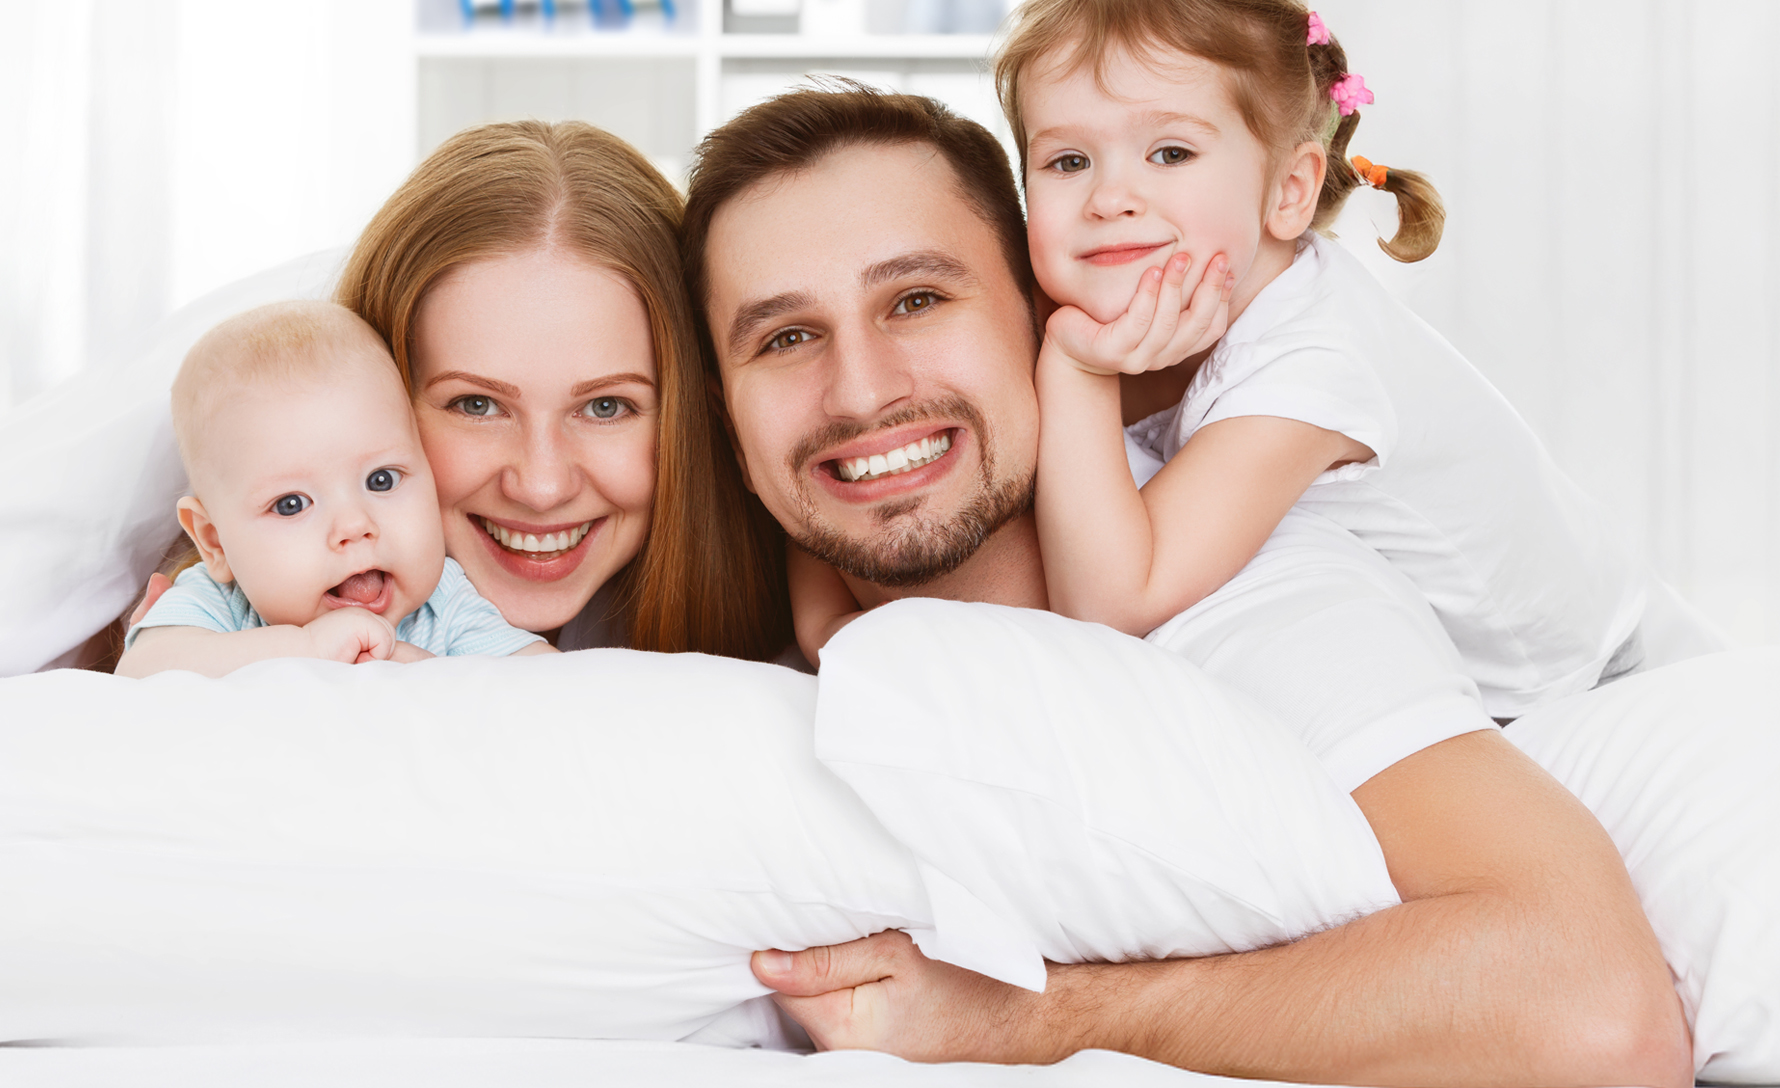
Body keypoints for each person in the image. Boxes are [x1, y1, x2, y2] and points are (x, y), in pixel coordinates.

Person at [680, 84, 1692, 1084]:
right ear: (725, 410)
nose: (860, 390)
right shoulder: (763, 653)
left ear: (1043, 314)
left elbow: (1594, 1010)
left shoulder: (1246, 590)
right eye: (786, 338)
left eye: (917, 299)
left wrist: (1023, 1022)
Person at [788, 0, 1646, 722]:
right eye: (1067, 161)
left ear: (1289, 190)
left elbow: (1117, 601)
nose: (1109, 196)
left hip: (1568, 693)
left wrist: (1078, 372)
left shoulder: (1312, 363)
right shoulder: (1113, 292)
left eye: (1170, 153)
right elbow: (863, 453)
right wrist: (828, 618)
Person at [132, 120, 788, 662]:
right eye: (476, 405)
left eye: (605, 406)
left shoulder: (768, 607)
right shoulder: (216, 582)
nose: (541, 485)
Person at [116, 301, 550, 677]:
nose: (355, 525)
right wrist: (307, 651)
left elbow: (553, 682)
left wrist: (425, 674)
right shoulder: (217, 606)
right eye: (291, 505)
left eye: (381, 480)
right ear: (215, 543)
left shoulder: (445, 603)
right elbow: (140, 673)